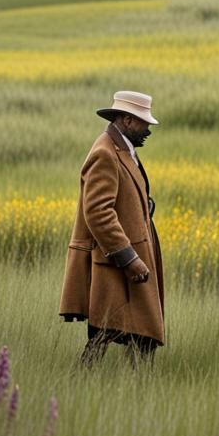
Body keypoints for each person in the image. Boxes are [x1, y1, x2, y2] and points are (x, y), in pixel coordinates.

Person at [60, 90, 165, 364]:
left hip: (124, 262)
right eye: (144, 123)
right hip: (116, 264)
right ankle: (91, 388)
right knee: (121, 333)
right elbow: (97, 212)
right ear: (128, 120)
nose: (148, 131)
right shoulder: (105, 153)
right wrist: (129, 258)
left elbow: (120, 200)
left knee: (133, 336)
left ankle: (99, 386)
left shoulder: (123, 150)